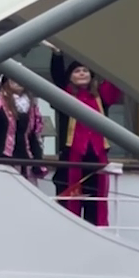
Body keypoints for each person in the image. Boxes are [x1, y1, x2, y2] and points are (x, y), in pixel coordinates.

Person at [50, 47, 122, 226]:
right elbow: (57, 77)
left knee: (96, 202)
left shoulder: (100, 96)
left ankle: (96, 231)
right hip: (72, 156)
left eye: (85, 70)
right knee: (70, 201)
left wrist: (116, 58)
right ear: (70, 77)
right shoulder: (66, 95)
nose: (82, 73)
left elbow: (114, 83)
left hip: (97, 157)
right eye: (77, 71)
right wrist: (57, 55)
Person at [0, 74, 45, 180]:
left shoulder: (31, 104)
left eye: (21, 79)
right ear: (6, 81)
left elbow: (34, 136)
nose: (18, 82)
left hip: (25, 161)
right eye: (14, 79)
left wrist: (38, 160)